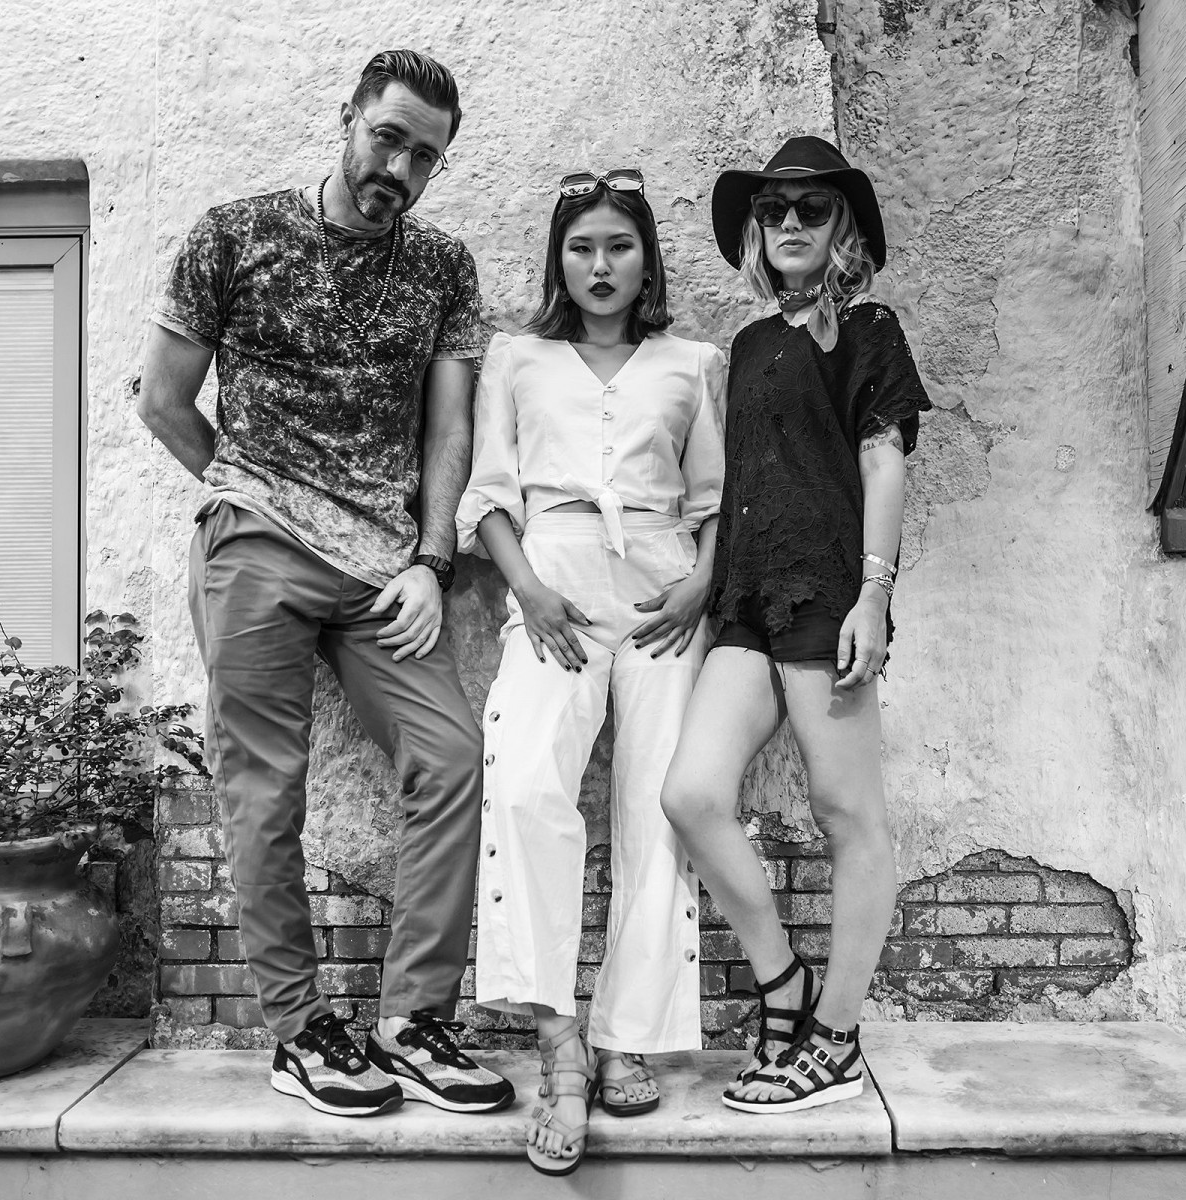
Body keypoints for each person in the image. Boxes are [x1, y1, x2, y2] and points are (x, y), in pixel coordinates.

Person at [137, 48, 514, 1120]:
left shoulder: (441, 268)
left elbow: (449, 430)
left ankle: (413, 1022)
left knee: (451, 756)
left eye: (424, 156)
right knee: (265, 792)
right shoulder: (233, 236)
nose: (400, 168)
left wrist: (433, 560)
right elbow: (163, 402)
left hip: (384, 572)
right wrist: (253, 493)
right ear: (348, 116)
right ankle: (301, 1033)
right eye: (387, 138)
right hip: (256, 544)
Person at [458, 168, 725, 1172]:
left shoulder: (692, 364)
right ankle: (559, 1039)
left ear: (646, 258)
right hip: (554, 584)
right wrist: (526, 589)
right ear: (558, 260)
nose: (601, 265)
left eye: (619, 246)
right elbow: (489, 490)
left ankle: (627, 1039)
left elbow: (716, 496)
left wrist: (702, 585)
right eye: (582, 248)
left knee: (658, 807)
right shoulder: (516, 358)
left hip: (663, 592)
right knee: (526, 786)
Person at [660, 136, 931, 1114]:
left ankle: (838, 1040)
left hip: (825, 592)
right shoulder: (747, 345)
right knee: (691, 794)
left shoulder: (866, 328)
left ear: (842, 226)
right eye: (772, 209)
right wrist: (705, 586)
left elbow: (883, 462)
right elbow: (739, 477)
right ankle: (784, 986)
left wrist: (874, 594)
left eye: (811, 209)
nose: (788, 223)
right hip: (745, 601)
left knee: (848, 813)